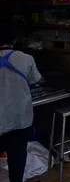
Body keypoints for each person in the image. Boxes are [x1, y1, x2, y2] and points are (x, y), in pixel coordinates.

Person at [0, 30, 42, 182]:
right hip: (19, 119)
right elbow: (35, 80)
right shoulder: (26, 58)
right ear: (15, 40)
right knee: (17, 158)